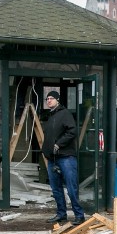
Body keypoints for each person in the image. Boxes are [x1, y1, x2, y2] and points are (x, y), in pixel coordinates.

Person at [41, 91, 85, 225]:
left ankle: (79, 215)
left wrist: (59, 144)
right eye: (47, 99)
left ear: (58, 100)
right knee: (56, 189)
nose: (48, 101)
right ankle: (61, 214)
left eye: (51, 98)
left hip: (66, 157)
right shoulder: (51, 116)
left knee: (71, 188)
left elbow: (72, 131)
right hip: (52, 159)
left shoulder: (65, 114)